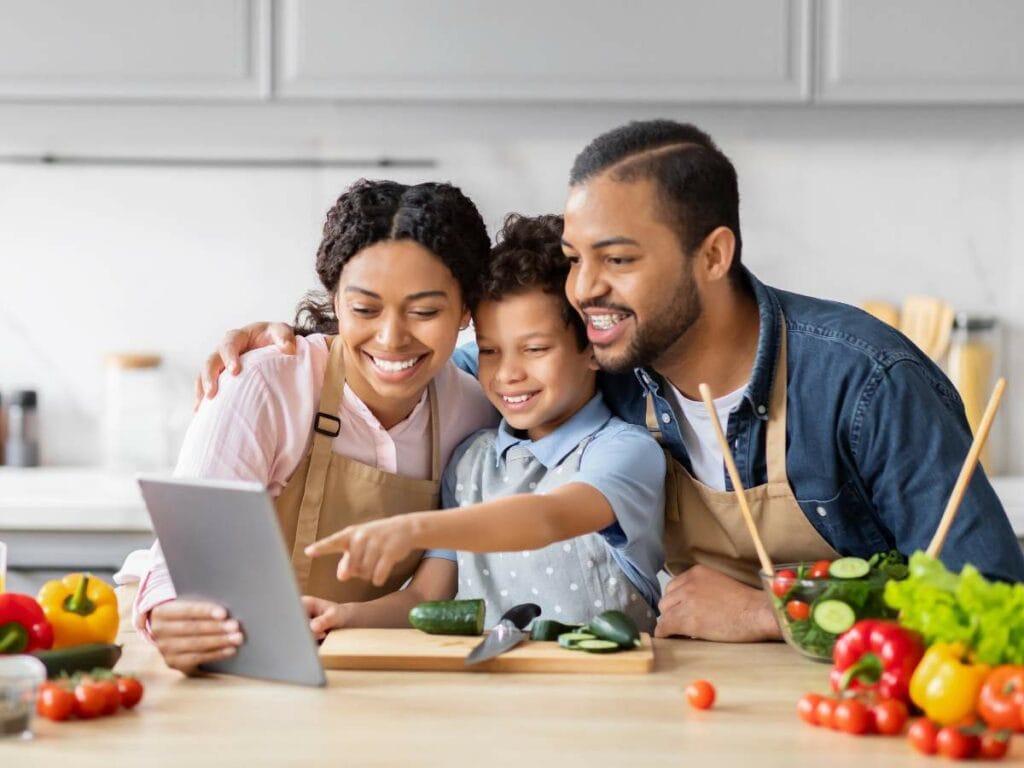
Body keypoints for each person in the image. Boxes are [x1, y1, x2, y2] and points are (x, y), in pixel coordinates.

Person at [197, 119, 1024, 644]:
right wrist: (297, 340)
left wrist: (775, 613)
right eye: (575, 260)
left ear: (713, 255)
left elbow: (1000, 602)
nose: (584, 288)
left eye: (617, 260)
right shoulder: (604, 360)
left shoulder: (866, 383)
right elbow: (416, 352)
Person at [124, 179, 498, 674]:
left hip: (355, 663)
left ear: (467, 310)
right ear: (335, 299)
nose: (391, 338)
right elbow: (186, 554)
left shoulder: (476, 410)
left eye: (425, 312)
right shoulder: (262, 383)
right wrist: (174, 616)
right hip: (229, 651)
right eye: (364, 309)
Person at [299, 214, 665, 636]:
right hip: (489, 694)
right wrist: (345, 616)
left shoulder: (625, 451)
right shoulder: (470, 462)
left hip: (607, 692)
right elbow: (424, 598)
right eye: (490, 350)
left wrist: (412, 529)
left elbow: (548, 517)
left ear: (594, 350)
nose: (507, 374)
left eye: (535, 348)